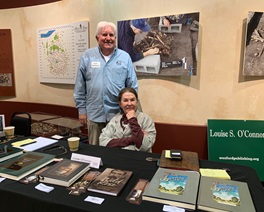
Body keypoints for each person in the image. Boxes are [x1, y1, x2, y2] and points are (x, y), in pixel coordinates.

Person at [74, 21, 138, 146]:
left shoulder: (125, 57)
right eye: (104, 35)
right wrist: (82, 110)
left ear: (115, 38)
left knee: (116, 150)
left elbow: (132, 86)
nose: (108, 38)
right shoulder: (87, 56)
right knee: (95, 150)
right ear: (97, 38)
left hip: (118, 115)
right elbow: (80, 85)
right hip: (94, 114)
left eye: (111, 35)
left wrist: (130, 110)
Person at [99, 87, 156, 152]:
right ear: (120, 104)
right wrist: (132, 139)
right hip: (116, 157)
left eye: (132, 100)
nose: (129, 103)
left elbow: (145, 146)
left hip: (138, 159)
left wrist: (133, 120)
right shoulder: (115, 119)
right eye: (125, 100)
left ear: (137, 102)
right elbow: (103, 142)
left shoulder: (146, 119)